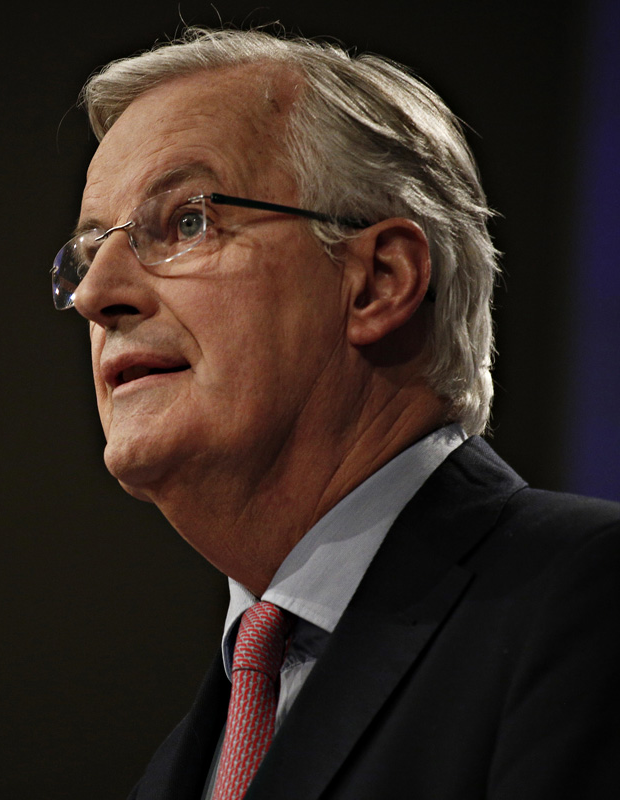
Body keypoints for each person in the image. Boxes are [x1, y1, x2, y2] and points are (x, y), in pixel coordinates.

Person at [50, 27, 620, 800]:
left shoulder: (583, 602)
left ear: (380, 280)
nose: (94, 294)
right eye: (90, 251)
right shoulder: (180, 767)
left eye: (187, 221)